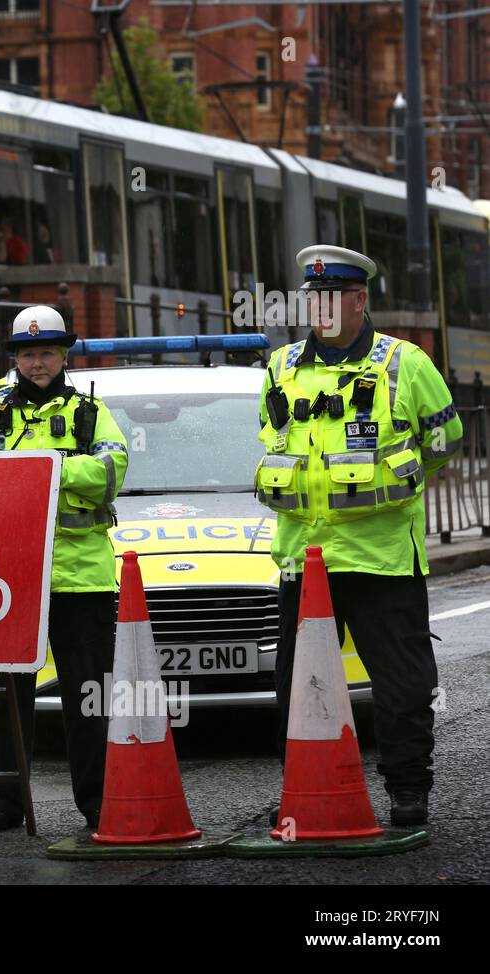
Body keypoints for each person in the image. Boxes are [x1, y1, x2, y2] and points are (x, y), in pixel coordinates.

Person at [255, 245, 463, 827]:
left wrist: (401, 480)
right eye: (312, 298)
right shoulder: (282, 366)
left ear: (359, 300)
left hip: (382, 557)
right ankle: (306, 792)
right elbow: (273, 440)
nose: (320, 308)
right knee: (299, 688)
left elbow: (445, 440)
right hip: (305, 560)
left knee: (402, 686)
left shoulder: (406, 364)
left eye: (331, 298)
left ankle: (407, 790)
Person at [0, 306, 128, 831]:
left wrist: (41, 467)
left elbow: (110, 472)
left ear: (64, 354)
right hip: (10, 575)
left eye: (46, 352)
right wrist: (55, 470)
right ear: (15, 358)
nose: (37, 363)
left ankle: (98, 805)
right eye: (27, 354)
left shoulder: (89, 411)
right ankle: (0, 806)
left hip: (81, 576)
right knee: (6, 697)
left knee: (87, 697)